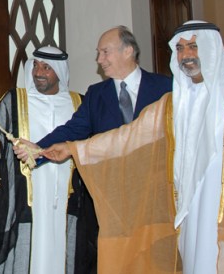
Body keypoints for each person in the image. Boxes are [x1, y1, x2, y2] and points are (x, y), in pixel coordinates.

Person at [41, 21, 224, 273]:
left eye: (193, 46)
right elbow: (125, 138)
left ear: (212, 48)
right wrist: (73, 148)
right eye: (179, 49)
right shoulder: (173, 103)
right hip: (189, 218)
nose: (186, 55)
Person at [14, 26, 171, 273]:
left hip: (156, 196)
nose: (99, 60)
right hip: (111, 199)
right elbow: (73, 129)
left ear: (128, 51)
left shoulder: (165, 88)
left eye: (105, 52)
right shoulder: (96, 94)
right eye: (98, 53)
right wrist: (39, 149)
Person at [0, 46, 82, 274]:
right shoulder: (14, 100)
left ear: (60, 72)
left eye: (46, 67)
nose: (38, 72)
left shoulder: (79, 104)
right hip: (27, 198)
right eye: (35, 65)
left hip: (67, 197)